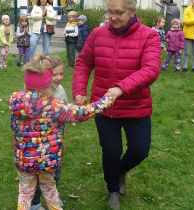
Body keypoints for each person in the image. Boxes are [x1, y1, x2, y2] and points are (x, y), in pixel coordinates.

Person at [72, 0, 161, 209]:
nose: (112, 18)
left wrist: (121, 88)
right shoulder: (97, 34)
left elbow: (150, 70)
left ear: (132, 11)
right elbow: (84, 62)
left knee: (140, 150)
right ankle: (112, 188)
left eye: (118, 13)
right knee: (111, 151)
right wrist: (79, 91)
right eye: (109, 12)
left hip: (136, 105)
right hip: (104, 106)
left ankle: (119, 171)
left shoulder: (149, 35)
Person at [9, 54, 113, 210]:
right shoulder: (55, 106)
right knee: (50, 190)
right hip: (47, 160)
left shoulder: (16, 103)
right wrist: (107, 100)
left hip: (24, 160)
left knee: (24, 193)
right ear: (47, 81)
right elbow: (83, 113)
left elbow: (13, 127)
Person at [30, 55, 67, 210]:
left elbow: (66, 110)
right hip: (37, 143)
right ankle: (35, 203)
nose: (59, 78)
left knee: (55, 173)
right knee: (39, 175)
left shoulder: (60, 90)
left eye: (61, 74)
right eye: (54, 74)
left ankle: (52, 196)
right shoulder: (35, 94)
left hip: (55, 142)